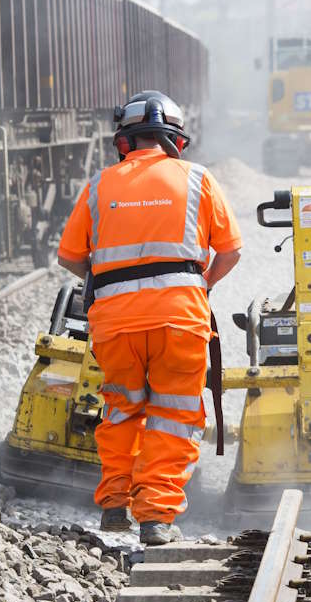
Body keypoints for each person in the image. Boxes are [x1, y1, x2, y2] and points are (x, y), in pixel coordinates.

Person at [56, 90, 242, 545]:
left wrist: (110, 278)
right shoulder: (198, 179)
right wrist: (201, 284)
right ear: (176, 140)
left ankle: (115, 504)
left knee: (122, 409)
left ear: (125, 142)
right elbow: (231, 251)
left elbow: (69, 258)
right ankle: (156, 517)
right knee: (174, 415)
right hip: (180, 319)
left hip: (115, 324)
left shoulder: (99, 185)